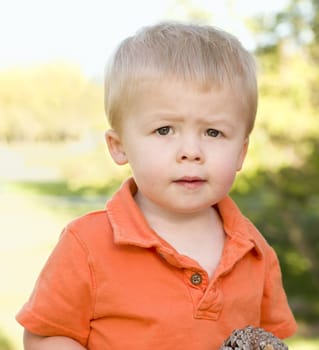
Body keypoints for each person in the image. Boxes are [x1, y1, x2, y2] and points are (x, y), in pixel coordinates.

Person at [16, 22, 297, 350]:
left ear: (242, 151)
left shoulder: (254, 251)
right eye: (165, 130)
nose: (190, 151)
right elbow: (45, 334)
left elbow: (269, 340)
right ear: (119, 146)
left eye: (213, 133)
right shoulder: (87, 245)